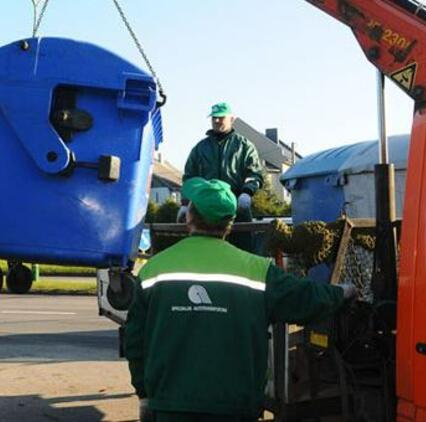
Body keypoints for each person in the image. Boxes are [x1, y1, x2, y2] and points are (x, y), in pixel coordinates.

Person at [124, 177, 355, 422]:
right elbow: (307, 299)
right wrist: (343, 292)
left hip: (170, 405)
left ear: (189, 217)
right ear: (230, 224)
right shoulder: (259, 271)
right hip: (235, 406)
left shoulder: (154, 269)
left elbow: (135, 340)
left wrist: (145, 393)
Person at [183, 102, 263, 251]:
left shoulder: (244, 146)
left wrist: (247, 192)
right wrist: (184, 202)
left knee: (242, 251)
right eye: (214, 118)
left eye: (221, 117)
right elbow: (189, 178)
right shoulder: (200, 149)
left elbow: (254, 173)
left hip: (238, 210)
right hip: (205, 211)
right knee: (207, 252)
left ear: (232, 119)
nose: (217, 121)